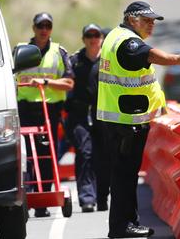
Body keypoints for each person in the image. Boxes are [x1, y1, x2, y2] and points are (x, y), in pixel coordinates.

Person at [97, 1, 180, 238]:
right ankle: (122, 226)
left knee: (124, 175)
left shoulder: (115, 36)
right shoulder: (128, 42)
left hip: (121, 118)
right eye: (147, 20)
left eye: (153, 21)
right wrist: (177, 59)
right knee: (125, 176)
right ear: (131, 19)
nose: (151, 25)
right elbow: (148, 54)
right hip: (127, 121)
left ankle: (125, 224)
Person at [15, 12, 74, 218]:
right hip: (25, 109)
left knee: (47, 156)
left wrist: (46, 83)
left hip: (49, 110)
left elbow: (69, 83)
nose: (44, 30)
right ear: (34, 28)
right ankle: (27, 196)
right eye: (40, 26)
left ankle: (43, 200)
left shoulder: (59, 52)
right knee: (26, 156)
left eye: (48, 26)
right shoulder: (20, 50)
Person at [65, 23, 110, 213]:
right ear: (84, 39)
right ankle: (87, 198)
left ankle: (101, 197)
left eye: (96, 35)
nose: (93, 39)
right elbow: (65, 84)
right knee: (85, 153)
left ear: (101, 38)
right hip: (79, 116)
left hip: (104, 115)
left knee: (104, 158)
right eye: (89, 35)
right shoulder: (74, 61)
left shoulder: (109, 61)